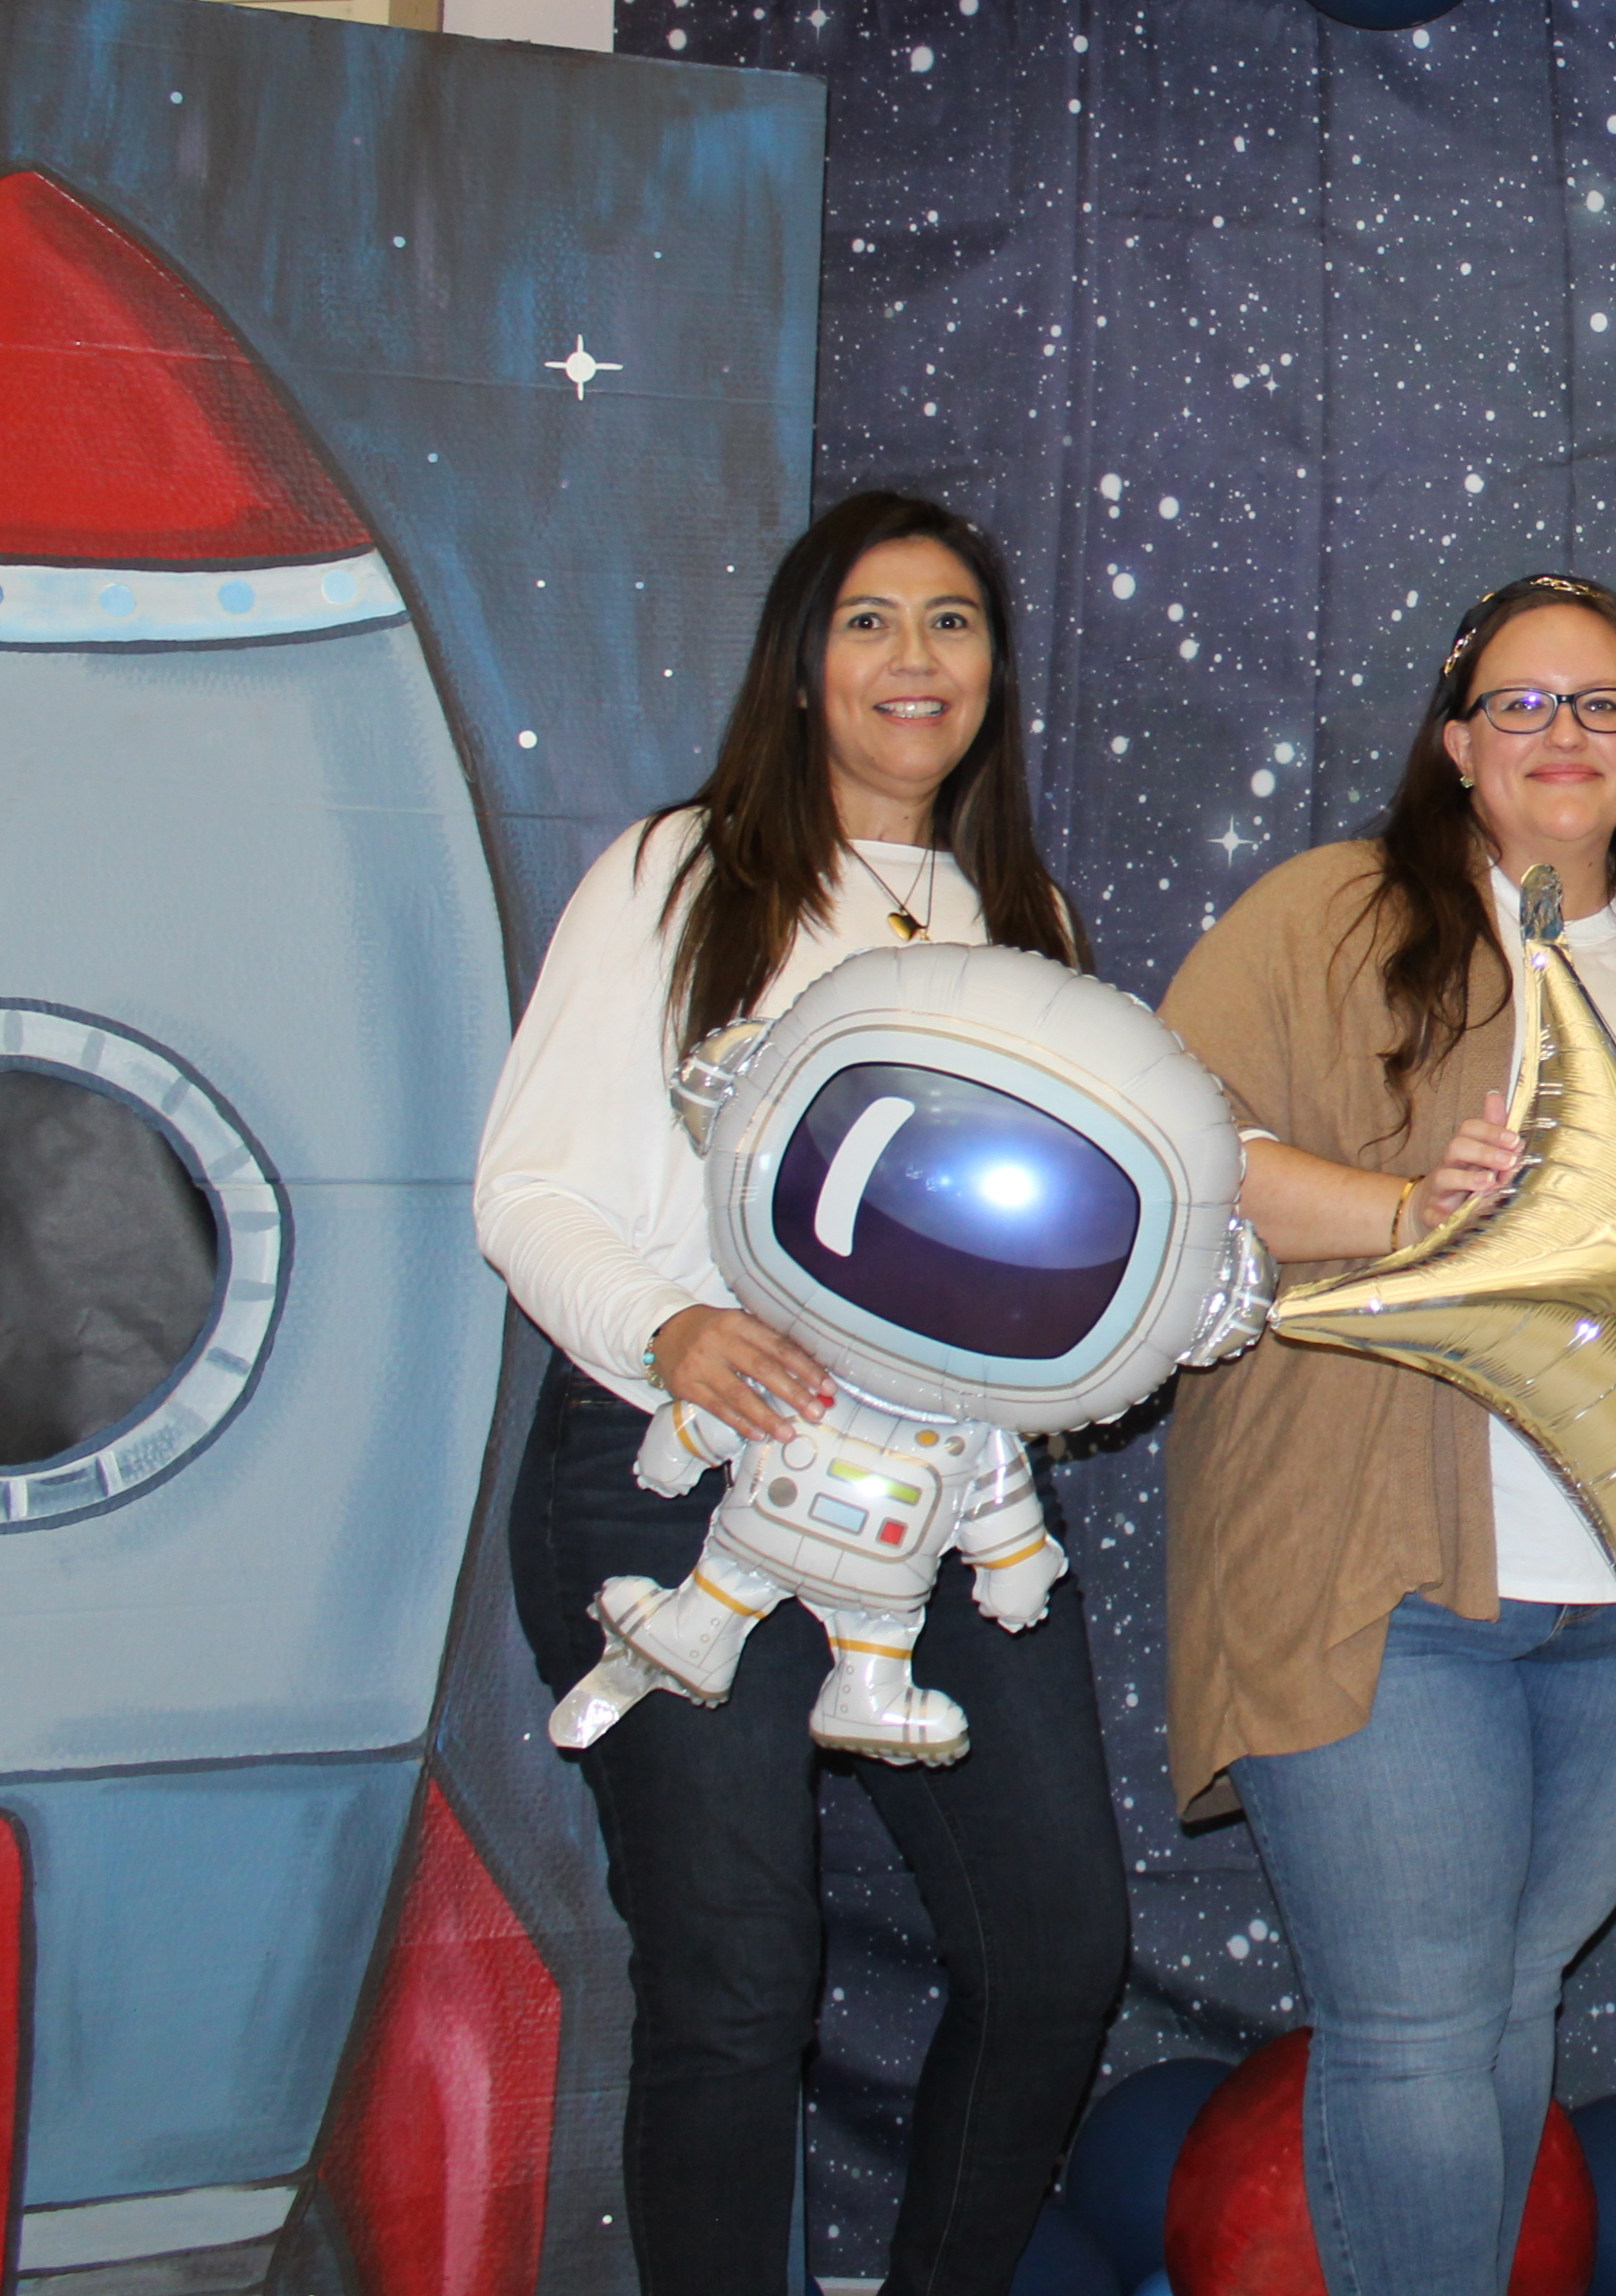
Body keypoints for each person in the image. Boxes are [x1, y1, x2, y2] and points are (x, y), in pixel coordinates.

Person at [478, 489, 1127, 2294]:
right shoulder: (679, 873)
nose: (911, 659)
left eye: (950, 623)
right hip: (674, 1472)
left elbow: (1064, 1260)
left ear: (995, 672)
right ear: (798, 665)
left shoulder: (1028, 925)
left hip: (934, 1498)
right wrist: (666, 1334)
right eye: (867, 620)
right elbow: (527, 1189)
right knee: (736, 1980)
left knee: (1061, 1947)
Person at [1156, 572, 1616, 2296]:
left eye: (1602, 706)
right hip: (1381, 1575)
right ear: (1455, 742)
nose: (1562, 735)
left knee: (1512, 2004)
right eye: (1521, 703)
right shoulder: (1326, 915)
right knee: (1421, 2028)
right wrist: (1395, 1208)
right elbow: (1162, 1147)